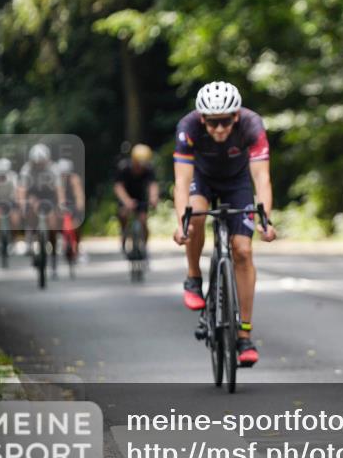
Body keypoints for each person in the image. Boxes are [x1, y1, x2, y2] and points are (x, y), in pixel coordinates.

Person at [172, 81, 276, 367]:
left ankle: (244, 335)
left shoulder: (252, 125)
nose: (219, 129)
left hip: (237, 183)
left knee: (242, 250)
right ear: (202, 119)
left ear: (236, 117)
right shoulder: (188, 126)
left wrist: (265, 219)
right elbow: (181, 182)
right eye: (213, 123)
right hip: (201, 181)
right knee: (194, 216)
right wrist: (182, 222)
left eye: (226, 122)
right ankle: (193, 277)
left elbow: (262, 179)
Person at [18, 143, 65, 263]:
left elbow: (59, 188)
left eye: (41, 163)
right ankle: (30, 238)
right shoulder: (26, 169)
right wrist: (23, 204)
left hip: (50, 195)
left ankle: (54, 244)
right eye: (36, 163)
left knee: (53, 221)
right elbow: (22, 188)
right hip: (34, 195)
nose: (39, 166)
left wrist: (61, 204)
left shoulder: (54, 168)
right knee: (31, 208)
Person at [114, 144, 158, 256]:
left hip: (141, 197)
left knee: (143, 220)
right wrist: (127, 201)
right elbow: (119, 187)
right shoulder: (124, 168)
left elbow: (153, 185)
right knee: (123, 215)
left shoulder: (148, 169)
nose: (141, 165)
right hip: (126, 196)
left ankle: (145, 247)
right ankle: (124, 234)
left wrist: (153, 198)